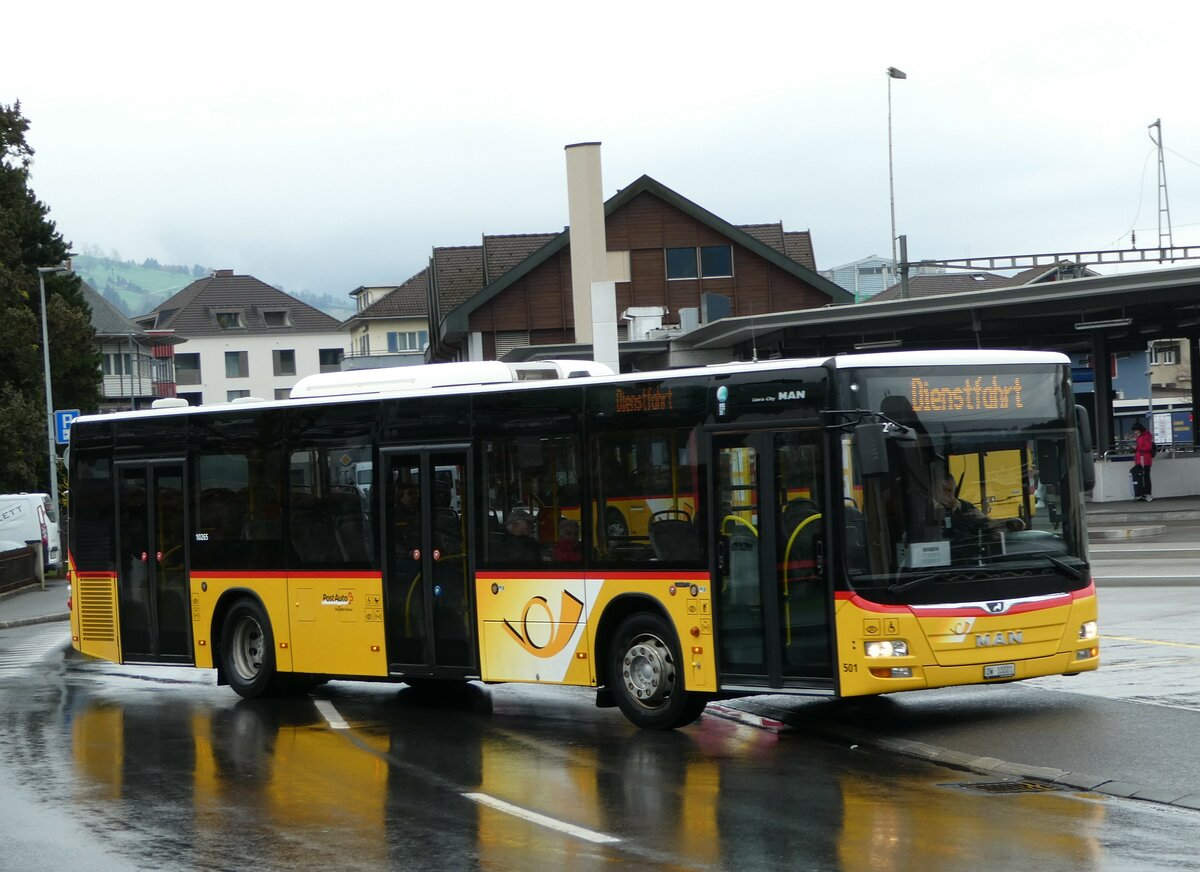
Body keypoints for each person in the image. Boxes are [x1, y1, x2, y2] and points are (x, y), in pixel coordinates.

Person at [933, 471, 1024, 540]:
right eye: (945, 490)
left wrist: (1006, 523)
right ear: (934, 489)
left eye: (952, 491)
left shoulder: (964, 506)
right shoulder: (926, 509)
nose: (950, 496)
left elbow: (984, 523)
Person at [1131, 422, 1154, 501]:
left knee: (1146, 477)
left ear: (1140, 429)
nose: (1135, 432)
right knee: (1142, 477)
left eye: (1136, 430)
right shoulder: (1141, 436)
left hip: (1145, 460)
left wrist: (1136, 448)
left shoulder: (1145, 437)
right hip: (1141, 460)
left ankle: (1147, 494)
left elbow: (1148, 448)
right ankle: (1142, 494)